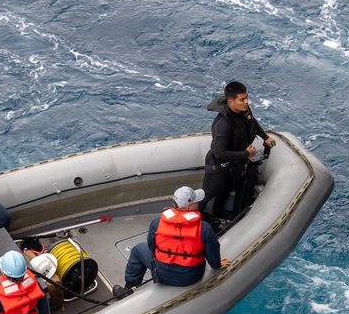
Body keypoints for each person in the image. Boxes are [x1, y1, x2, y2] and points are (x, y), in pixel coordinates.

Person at [119, 186, 230, 291]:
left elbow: (151, 245)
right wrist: (217, 265)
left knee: (138, 250)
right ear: (188, 207)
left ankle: (129, 289)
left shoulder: (157, 222)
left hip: (162, 274)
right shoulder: (204, 228)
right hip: (192, 276)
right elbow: (212, 251)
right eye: (195, 202)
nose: (198, 204)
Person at [202, 81, 277, 220]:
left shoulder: (244, 110)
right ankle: (196, 220)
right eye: (242, 99)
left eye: (246, 97)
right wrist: (246, 154)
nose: (246, 102)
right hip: (219, 166)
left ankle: (217, 215)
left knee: (226, 190)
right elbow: (220, 153)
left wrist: (265, 137)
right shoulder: (222, 126)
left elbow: (252, 122)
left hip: (235, 163)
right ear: (231, 102)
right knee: (209, 194)